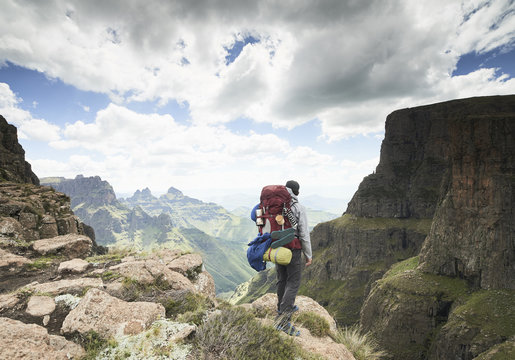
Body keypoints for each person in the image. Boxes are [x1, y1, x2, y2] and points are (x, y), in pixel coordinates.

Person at [275, 180, 312, 335]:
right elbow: (303, 233)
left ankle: (281, 306)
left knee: (282, 279)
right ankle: (283, 321)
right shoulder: (298, 208)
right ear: (297, 192)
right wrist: (308, 255)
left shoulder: (276, 205)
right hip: (293, 249)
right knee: (293, 281)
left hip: (277, 246)